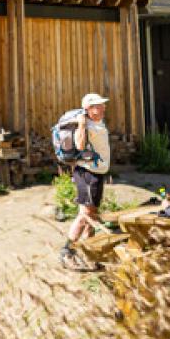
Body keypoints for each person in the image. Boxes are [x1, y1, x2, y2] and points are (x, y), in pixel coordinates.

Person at [59, 93, 111, 270]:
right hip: (87, 173)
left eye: (103, 105)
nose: (103, 108)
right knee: (84, 216)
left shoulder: (99, 122)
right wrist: (81, 124)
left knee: (92, 216)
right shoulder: (84, 124)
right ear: (89, 108)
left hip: (97, 173)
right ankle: (67, 253)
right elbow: (80, 145)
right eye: (98, 105)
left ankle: (91, 255)